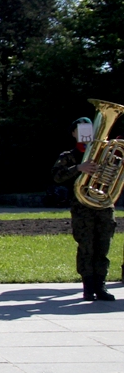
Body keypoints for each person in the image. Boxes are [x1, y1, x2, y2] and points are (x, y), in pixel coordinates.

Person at [53, 117, 116, 301]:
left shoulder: (106, 154)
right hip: (82, 208)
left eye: (89, 129)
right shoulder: (68, 156)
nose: (86, 133)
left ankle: (101, 285)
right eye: (80, 130)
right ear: (74, 133)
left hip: (104, 206)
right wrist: (79, 168)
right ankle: (88, 287)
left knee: (103, 246)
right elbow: (56, 176)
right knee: (86, 247)